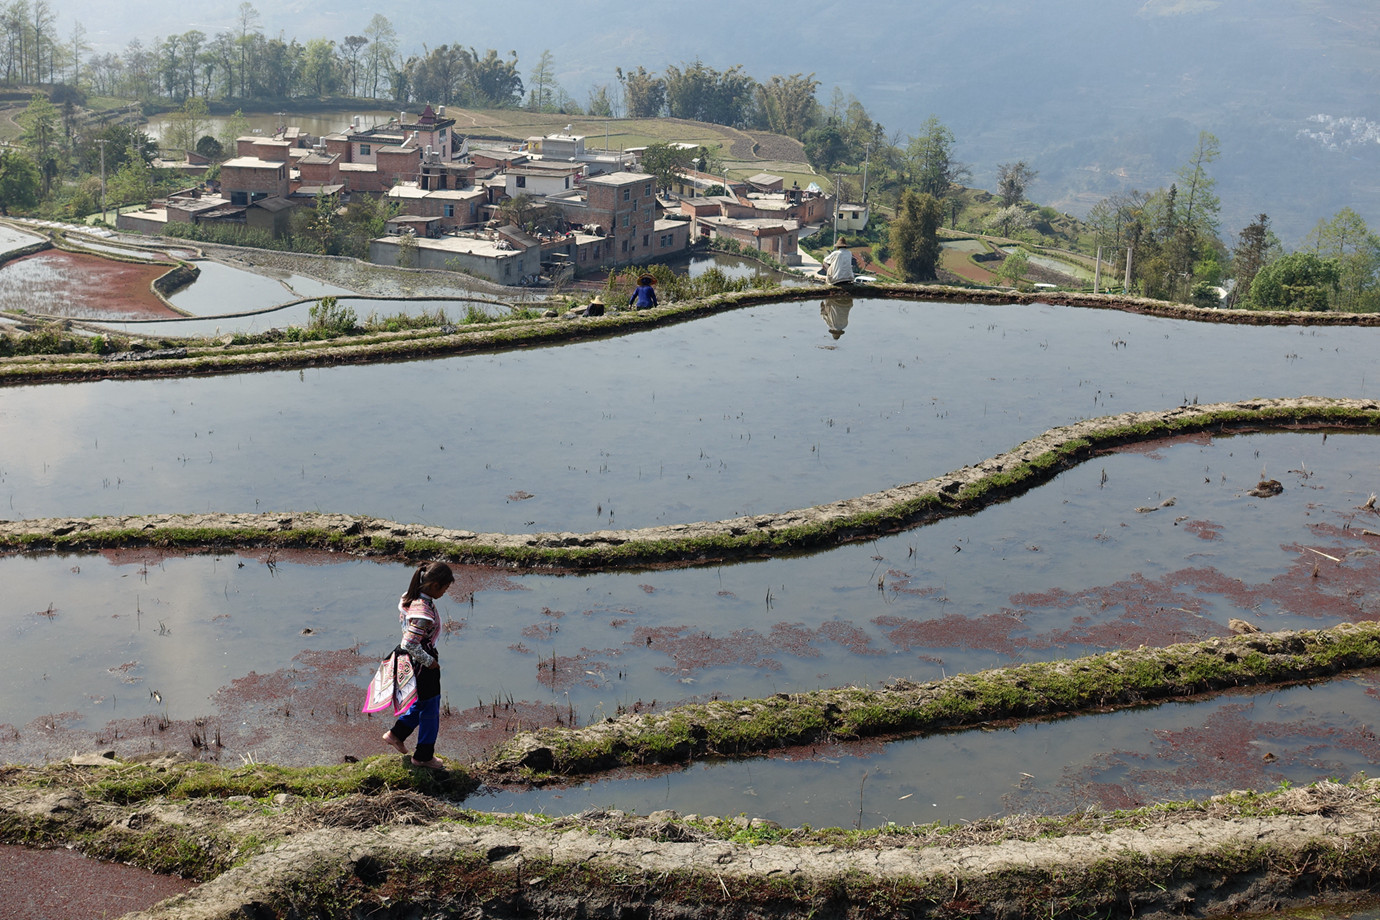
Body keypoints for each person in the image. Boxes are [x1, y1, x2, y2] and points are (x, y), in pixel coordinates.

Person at [380, 561, 455, 769]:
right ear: (435, 586)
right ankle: (423, 757)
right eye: (445, 588)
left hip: (412, 661)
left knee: (422, 702)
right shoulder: (423, 611)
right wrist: (431, 663)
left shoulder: (411, 597)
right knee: (430, 708)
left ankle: (396, 734)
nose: (445, 592)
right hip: (422, 663)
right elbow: (410, 643)